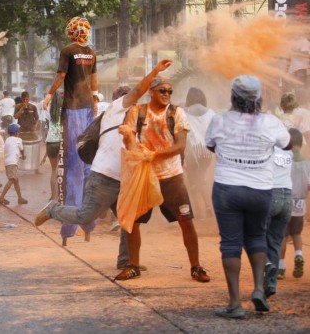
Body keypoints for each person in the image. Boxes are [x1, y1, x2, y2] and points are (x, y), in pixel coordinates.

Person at [34, 60, 173, 252]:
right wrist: (156, 71)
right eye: (128, 97)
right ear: (119, 99)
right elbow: (138, 90)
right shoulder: (117, 108)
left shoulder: (141, 119)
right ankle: (53, 209)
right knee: (85, 216)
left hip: (126, 178)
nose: (133, 100)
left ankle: (127, 263)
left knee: (128, 222)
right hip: (104, 177)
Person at [206, 75, 291, 318]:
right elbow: (285, 144)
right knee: (257, 238)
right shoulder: (270, 122)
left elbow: (211, 146)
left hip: (227, 189)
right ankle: (258, 290)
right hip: (261, 189)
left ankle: (234, 304)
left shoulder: (220, 120)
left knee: (231, 243)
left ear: (233, 96)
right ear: (259, 98)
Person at [116, 75, 210, 283]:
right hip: (144, 176)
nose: (167, 94)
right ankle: (133, 266)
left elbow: (180, 146)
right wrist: (130, 139)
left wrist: (154, 155)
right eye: (163, 91)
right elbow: (128, 140)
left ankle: (196, 267)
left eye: (170, 91)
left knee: (186, 221)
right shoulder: (137, 112)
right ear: (151, 91)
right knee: (134, 222)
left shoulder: (177, 113)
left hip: (172, 176)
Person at [42, 16, 97, 244]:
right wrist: (95, 102)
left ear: (72, 32)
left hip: (74, 110)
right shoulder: (92, 53)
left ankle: (69, 228)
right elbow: (94, 81)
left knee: (74, 166)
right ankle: (89, 224)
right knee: (87, 166)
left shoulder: (68, 50)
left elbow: (62, 75)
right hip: (88, 109)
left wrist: (49, 93)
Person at [264, 128, 297, 298]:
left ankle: (266, 264)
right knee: (276, 241)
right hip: (286, 198)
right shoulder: (288, 152)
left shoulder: (267, 151)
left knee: (258, 236)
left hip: (270, 195)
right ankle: (271, 283)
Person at [279, 128, 308, 279]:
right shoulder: (306, 164)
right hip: (300, 204)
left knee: (283, 235)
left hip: (285, 201)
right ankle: (299, 254)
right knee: (296, 233)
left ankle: (281, 267)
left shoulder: (283, 160)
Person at [183, 87, 215, 219]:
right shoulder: (211, 113)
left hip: (192, 151)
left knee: (193, 182)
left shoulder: (184, 113)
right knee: (201, 178)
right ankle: (208, 207)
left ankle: (199, 213)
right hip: (207, 152)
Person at [0, 124, 27, 205]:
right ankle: (1, 197)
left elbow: (11, 151)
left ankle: (20, 198)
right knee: (12, 180)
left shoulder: (7, 140)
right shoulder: (18, 140)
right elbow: (22, 150)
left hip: (7, 162)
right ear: (17, 132)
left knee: (16, 181)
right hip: (12, 163)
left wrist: (19, 156)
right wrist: (23, 156)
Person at [43, 91, 63, 201]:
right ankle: (60, 195)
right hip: (61, 142)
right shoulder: (64, 110)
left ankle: (53, 196)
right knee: (62, 170)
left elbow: (46, 125)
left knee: (54, 170)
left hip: (50, 142)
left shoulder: (47, 109)